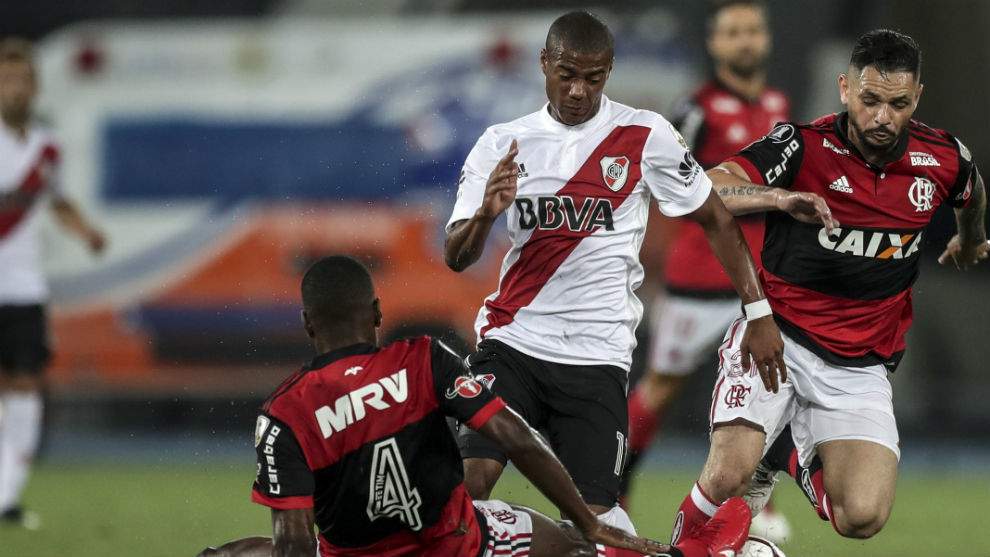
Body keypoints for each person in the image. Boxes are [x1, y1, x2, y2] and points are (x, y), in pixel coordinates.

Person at [443, 10, 827, 544]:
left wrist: (758, 311)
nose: (578, 90)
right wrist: (486, 215)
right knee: (466, 493)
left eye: (593, 78)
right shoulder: (502, 142)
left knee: (596, 532)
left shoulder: (645, 134)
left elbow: (716, 216)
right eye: (566, 75)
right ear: (544, 63)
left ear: (609, 71)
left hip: (597, 358)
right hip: (513, 345)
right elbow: (456, 256)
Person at [195, 255, 754, 557]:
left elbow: (293, 542)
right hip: (458, 544)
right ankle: (692, 556)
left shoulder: (283, 414)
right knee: (571, 547)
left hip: (355, 554)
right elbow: (516, 438)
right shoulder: (423, 359)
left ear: (307, 324)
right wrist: (587, 522)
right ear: (378, 312)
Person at [669, 28, 986, 546]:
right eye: (870, 100)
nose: (882, 117)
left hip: (861, 364)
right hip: (778, 337)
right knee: (727, 476)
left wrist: (971, 240)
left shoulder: (944, 158)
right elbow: (710, 187)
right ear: (844, 89)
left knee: (862, 517)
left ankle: (784, 454)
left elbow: (971, 194)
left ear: (917, 98)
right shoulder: (802, 145)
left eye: (898, 104)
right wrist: (777, 198)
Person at [621, 0, 791, 541]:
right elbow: (670, 187)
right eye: (733, 32)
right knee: (660, 389)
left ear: (766, 38)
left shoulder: (778, 106)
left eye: (753, 30)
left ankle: (757, 503)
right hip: (698, 279)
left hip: (760, 281)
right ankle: (614, 486)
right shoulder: (695, 110)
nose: (745, 40)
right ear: (715, 44)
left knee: (769, 386)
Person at [0, 37, 105, 528]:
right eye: (6, 79)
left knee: (25, 385)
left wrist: (86, 231)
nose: (15, 89)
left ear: (37, 87)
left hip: (24, 287)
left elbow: (58, 201)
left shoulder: (47, 148)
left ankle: (7, 496)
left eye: (23, 79)